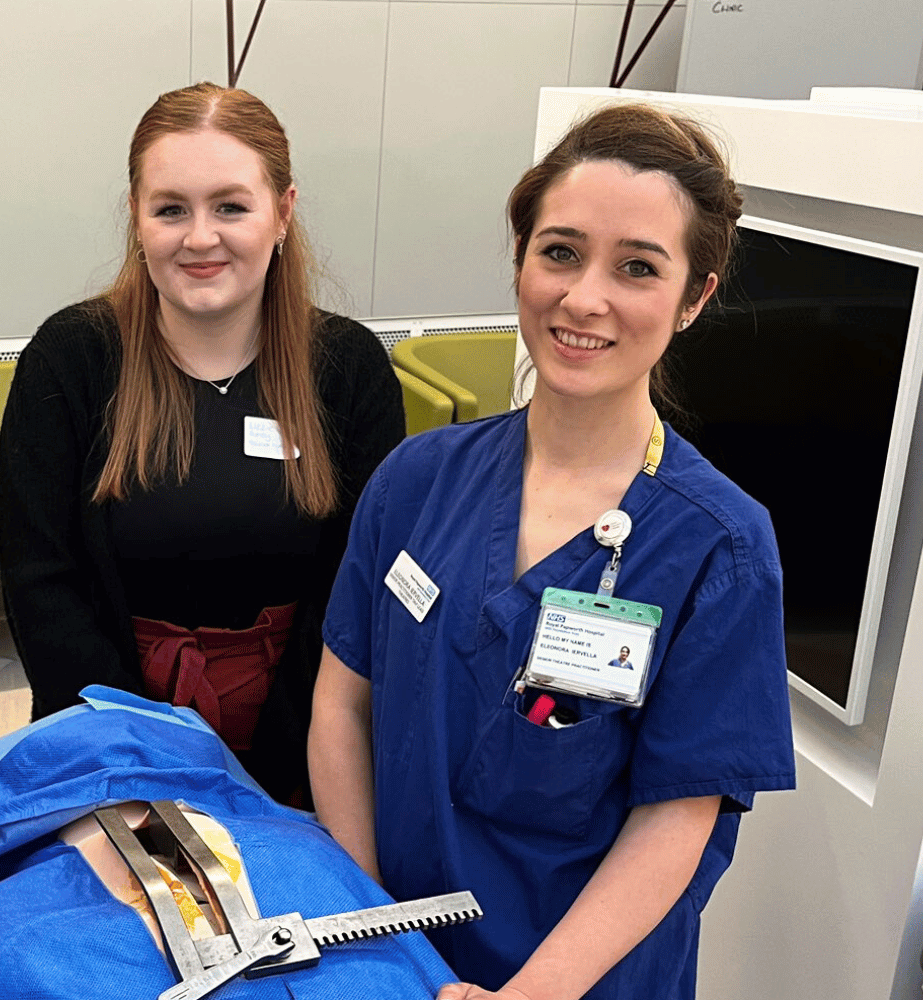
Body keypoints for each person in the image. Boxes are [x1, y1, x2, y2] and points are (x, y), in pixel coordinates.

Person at [310, 103, 796, 999]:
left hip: (584, 977)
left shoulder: (719, 546)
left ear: (695, 299)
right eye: (560, 252)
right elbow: (342, 707)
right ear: (523, 259)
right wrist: (369, 926)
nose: (584, 298)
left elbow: (676, 817)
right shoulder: (418, 479)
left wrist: (533, 994)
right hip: (395, 958)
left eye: (638, 267)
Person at [0, 82, 404, 803]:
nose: (200, 237)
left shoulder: (349, 371)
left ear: (282, 212)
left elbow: (356, 588)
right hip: (110, 745)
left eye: (231, 206)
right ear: (136, 216)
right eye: (171, 209)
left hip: (307, 745)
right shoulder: (71, 360)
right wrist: (140, 750)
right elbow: (42, 584)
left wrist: (276, 770)